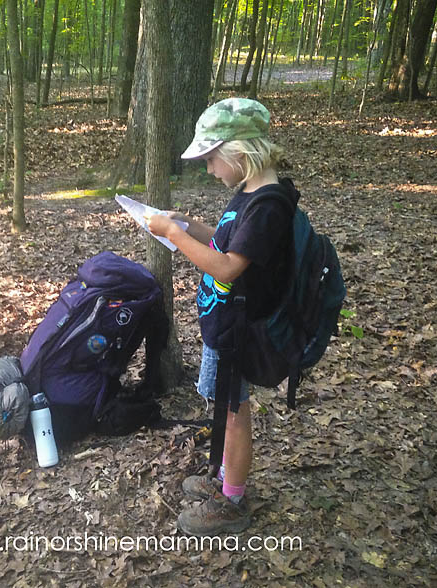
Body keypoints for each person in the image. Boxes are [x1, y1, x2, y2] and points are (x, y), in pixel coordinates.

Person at [146, 97, 299, 536]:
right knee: (228, 408)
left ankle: (232, 498)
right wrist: (189, 225)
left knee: (236, 412)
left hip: (243, 331)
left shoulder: (268, 204)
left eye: (212, 159)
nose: (210, 170)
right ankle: (222, 478)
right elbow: (229, 241)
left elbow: (229, 267)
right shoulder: (250, 193)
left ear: (239, 151)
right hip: (227, 325)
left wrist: (174, 235)